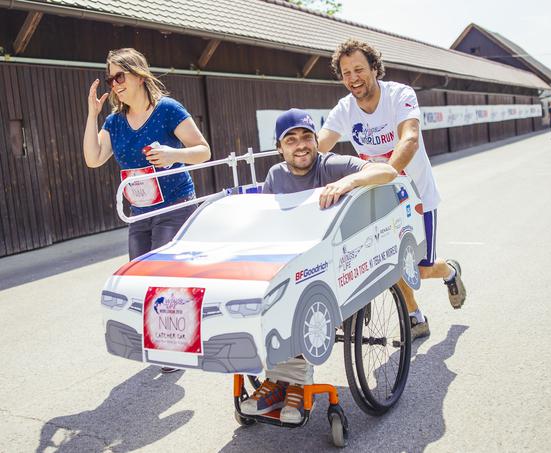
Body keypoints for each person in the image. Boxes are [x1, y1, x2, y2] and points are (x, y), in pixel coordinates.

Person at [239, 108, 398, 423]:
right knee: (269, 291)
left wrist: (347, 183)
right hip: (293, 260)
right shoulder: (275, 176)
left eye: (307, 137)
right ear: (280, 147)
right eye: (291, 139)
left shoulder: (333, 165)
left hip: (336, 265)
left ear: (316, 140)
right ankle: (275, 381)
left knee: (296, 294)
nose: (301, 145)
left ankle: (296, 383)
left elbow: (388, 173)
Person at [317, 39, 467, 340]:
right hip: (379, 197)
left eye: (359, 69)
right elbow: (321, 145)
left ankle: (448, 271)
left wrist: (387, 173)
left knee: (419, 269)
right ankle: (415, 316)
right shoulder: (344, 109)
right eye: (346, 73)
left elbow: (409, 139)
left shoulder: (400, 95)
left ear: (374, 68)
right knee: (389, 264)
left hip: (417, 194)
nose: (353, 78)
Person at [83, 48, 211, 373]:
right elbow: (93, 158)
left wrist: (172, 154)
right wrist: (91, 115)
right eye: (111, 78)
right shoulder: (114, 121)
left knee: (164, 274)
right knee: (141, 278)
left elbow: (203, 151)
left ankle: (173, 346)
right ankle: (168, 339)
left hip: (175, 204)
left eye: (119, 76)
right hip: (139, 212)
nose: (114, 84)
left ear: (139, 75)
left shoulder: (167, 110)